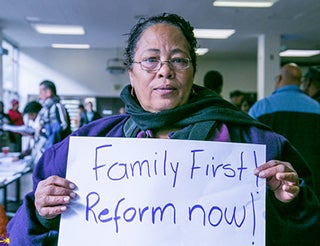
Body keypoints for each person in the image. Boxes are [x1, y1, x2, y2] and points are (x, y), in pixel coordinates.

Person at [7, 13, 320, 246]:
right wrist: (38, 212)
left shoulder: (258, 144)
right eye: (151, 60)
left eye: (179, 60)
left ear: (192, 72)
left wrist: (291, 202)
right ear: (130, 73)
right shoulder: (83, 147)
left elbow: (308, 231)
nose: (165, 71)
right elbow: (20, 237)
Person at [249, 63, 320, 199]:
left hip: (274, 186)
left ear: (279, 79)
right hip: (313, 186)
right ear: (300, 82)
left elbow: (250, 149)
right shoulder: (317, 108)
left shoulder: (261, 108)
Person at [38, 80, 72, 150]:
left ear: (48, 92)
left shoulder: (57, 106)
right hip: (50, 145)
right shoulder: (46, 109)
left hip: (57, 147)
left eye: (41, 92)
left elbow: (63, 126)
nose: (39, 96)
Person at [11, 101, 45, 166]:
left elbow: (37, 148)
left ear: (34, 114)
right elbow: (33, 147)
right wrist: (20, 156)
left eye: (29, 115)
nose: (29, 118)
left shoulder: (41, 128)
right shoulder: (35, 126)